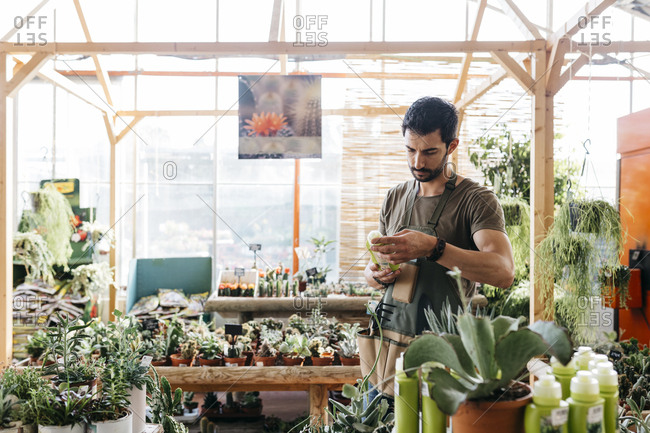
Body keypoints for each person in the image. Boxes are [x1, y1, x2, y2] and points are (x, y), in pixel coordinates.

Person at [358, 96, 515, 406]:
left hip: (442, 352)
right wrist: (376, 274)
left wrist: (434, 247)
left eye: (429, 152)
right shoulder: (394, 197)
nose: (418, 162)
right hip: (387, 347)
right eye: (410, 150)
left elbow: (503, 272)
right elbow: (372, 274)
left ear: (451, 146)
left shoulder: (475, 200)